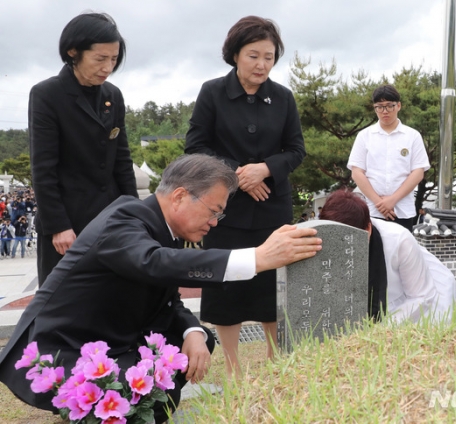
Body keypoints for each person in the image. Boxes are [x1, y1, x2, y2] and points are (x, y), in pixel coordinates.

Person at [0, 154, 322, 423]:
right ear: (180, 196)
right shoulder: (125, 217)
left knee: (198, 340)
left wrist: (192, 331)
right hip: (64, 345)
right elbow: (154, 263)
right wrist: (258, 257)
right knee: (146, 389)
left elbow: (168, 298)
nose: (216, 222)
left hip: (112, 335)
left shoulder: (165, 227)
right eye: (213, 211)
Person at [185, 16, 306, 376]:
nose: (262, 64)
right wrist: (241, 173)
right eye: (254, 55)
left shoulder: (283, 97)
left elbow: (296, 150)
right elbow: (196, 146)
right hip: (225, 209)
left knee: (273, 287)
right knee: (228, 288)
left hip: (273, 207)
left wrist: (264, 169)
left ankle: (275, 360)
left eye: (269, 57)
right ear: (235, 54)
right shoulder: (212, 92)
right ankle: (234, 367)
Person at [29, 12, 138, 287]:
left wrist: (136, 215)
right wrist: (58, 226)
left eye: (113, 59)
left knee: (113, 299)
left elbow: (122, 161)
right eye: (100, 59)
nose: (108, 67)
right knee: (63, 304)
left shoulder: (113, 95)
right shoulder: (47, 95)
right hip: (68, 226)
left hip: (110, 219)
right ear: (73, 52)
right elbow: (43, 167)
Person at [320, 190, 456, 323]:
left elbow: (421, 296)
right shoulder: (316, 236)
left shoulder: (399, 240)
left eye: (350, 242)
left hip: (413, 297)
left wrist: (383, 328)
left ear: (368, 227)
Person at [347, 85, 430, 232]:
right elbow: (357, 172)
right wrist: (379, 203)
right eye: (379, 107)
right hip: (372, 210)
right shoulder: (365, 136)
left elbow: (418, 172)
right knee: (375, 254)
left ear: (398, 106)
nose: (384, 111)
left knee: (402, 254)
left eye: (389, 106)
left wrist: (392, 200)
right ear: (374, 108)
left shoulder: (412, 136)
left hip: (403, 210)